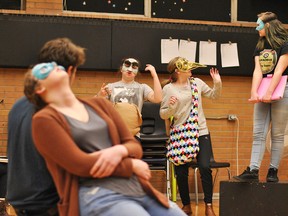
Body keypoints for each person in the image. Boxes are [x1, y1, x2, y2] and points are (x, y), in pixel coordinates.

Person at [24, 62, 186, 216]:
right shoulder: (44, 119)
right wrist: (129, 164)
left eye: (55, 65)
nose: (53, 66)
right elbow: (80, 164)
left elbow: (133, 146)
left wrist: (119, 150)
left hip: (136, 187)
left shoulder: (99, 106)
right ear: (39, 88)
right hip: (97, 192)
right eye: (45, 69)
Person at [6, 37, 86, 216]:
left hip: (17, 203)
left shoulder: (17, 106)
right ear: (71, 71)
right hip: (48, 205)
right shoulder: (59, 110)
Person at [160, 57, 222, 216]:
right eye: (186, 66)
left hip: (201, 131)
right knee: (181, 171)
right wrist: (172, 107)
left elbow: (214, 96)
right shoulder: (168, 89)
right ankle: (186, 205)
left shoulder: (197, 83)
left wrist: (217, 82)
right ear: (178, 70)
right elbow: (163, 114)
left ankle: (209, 206)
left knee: (205, 166)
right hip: (181, 133)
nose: (190, 69)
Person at [233, 12, 288, 183]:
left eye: (259, 24)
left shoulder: (285, 44)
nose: (257, 28)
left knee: (277, 134)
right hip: (264, 89)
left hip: (282, 89)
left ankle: (273, 171)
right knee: (258, 133)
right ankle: (253, 169)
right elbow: (258, 70)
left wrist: (270, 93)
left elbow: (279, 69)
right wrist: (254, 92)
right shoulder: (260, 45)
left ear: (268, 26)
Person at [96, 58, 162, 140]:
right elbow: (95, 105)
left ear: (137, 71)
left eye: (134, 67)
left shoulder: (142, 87)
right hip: (113, 134)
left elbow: (158, 99)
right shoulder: (110, 87)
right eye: (127, 66)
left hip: (133, 135)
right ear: (121, 69)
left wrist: (154, 75)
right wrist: (100, 95)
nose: (130, 70)